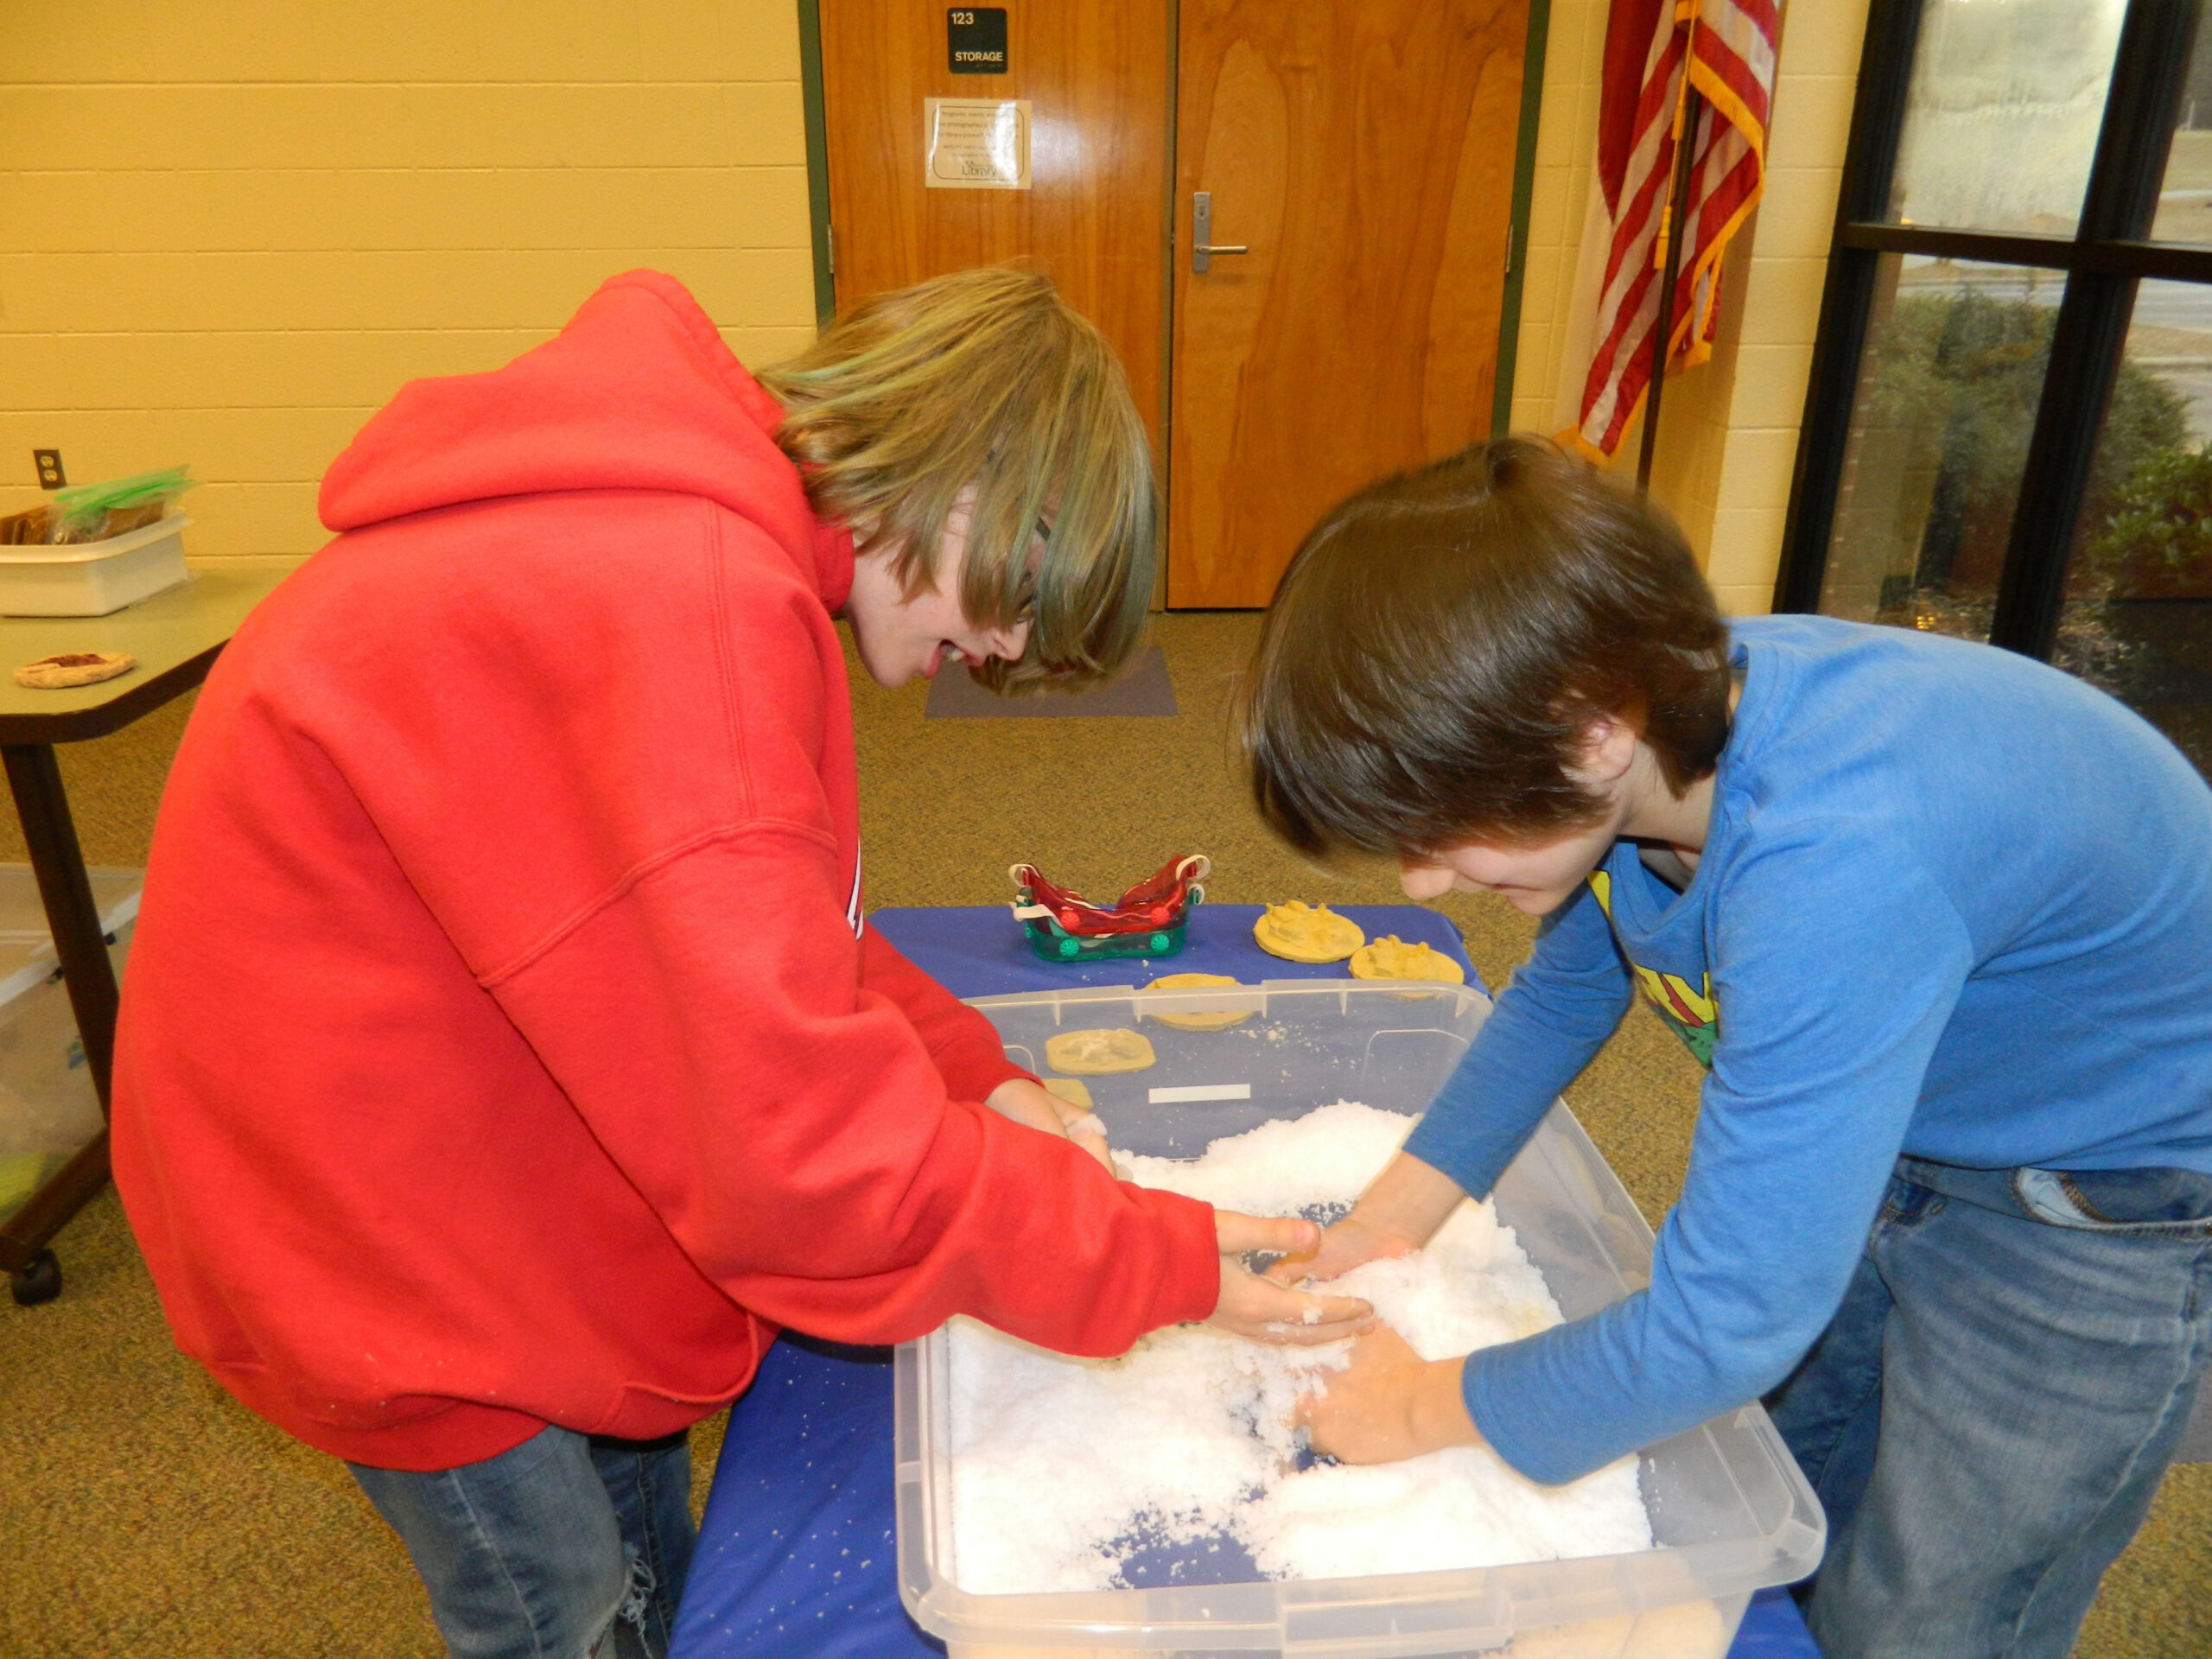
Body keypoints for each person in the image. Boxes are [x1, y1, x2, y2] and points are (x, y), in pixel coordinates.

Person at [111, 267, 1369, 1659]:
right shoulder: (691, 606)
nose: (999, 648)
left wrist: (975, 1079)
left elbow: (777, 931)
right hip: (368, 1229)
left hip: (444, 1101)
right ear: (967, 480)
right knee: (560, 1606)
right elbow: (798, 1152)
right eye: (1016, 594)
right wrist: (1150, 1261)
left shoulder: (694, 531)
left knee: (641, 1535)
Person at [1241, 435, 2212, 1659]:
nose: (1423, 883)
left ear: (1590, 732)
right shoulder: (1641, 738)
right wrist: (1384, 1228)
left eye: (1439, 829)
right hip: (1908, 1112)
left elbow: (1725, 1323)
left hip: (2105, 1204)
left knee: (1932, 1606)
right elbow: (1558, 999)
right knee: (1779, 1487)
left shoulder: (1837, 862)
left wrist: (1420, 1406)